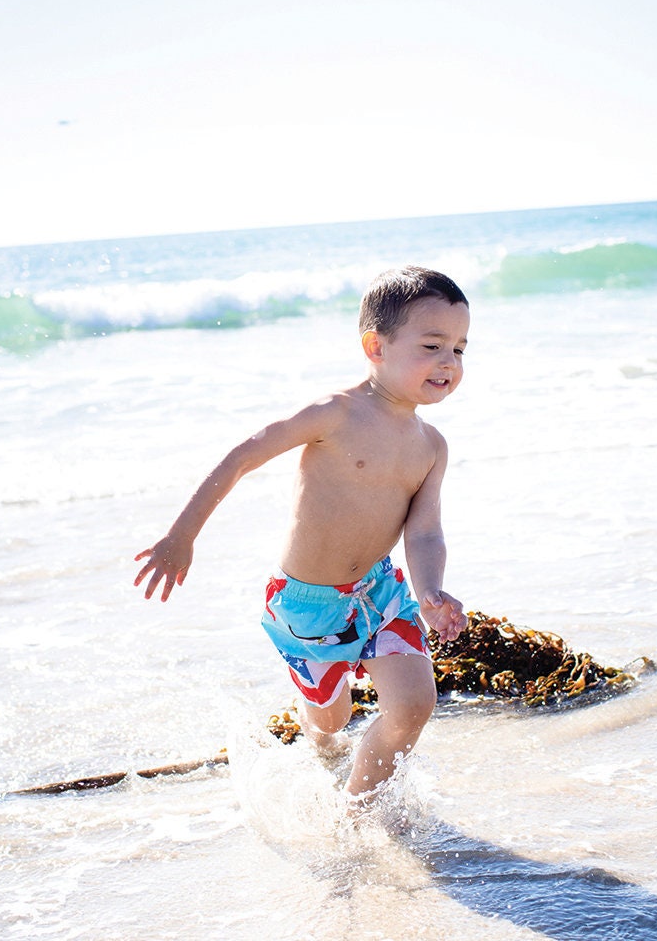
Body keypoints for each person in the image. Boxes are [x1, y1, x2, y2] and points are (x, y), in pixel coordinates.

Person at [133, 265, 470, 806]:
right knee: (332, 724)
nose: (448, 362)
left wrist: (430, 591)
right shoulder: (335, 413)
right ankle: (318, 731)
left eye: (459, 349)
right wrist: (182, 535)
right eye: (432, 346)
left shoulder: (432, 445)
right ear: (376, 346)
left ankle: (357, 813)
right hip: (306, 606)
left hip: (381, 593)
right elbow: (243, 456)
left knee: (413, 705)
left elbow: (425, 531)